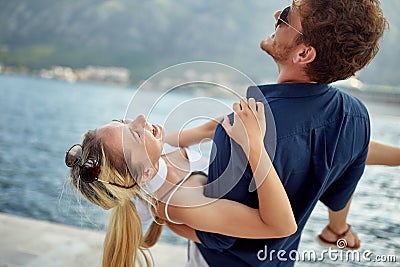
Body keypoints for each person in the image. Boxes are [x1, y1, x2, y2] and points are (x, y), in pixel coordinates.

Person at [167, 0, 388, 266]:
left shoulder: (242, 134)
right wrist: (338, 230)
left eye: (285, 16)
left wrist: (163, 212)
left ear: (304, 54)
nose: (275, 15)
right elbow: (342, 191)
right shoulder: (355, 117)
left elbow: (217, 236)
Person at [65, 98, 297, 267]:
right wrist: (254, 146)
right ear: (144, 174)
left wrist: (267, 108)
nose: (141, 119)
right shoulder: (176, 202)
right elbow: (281, 226)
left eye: (124, 122)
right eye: (135, 134)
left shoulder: (159, 145)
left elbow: (209, 129)